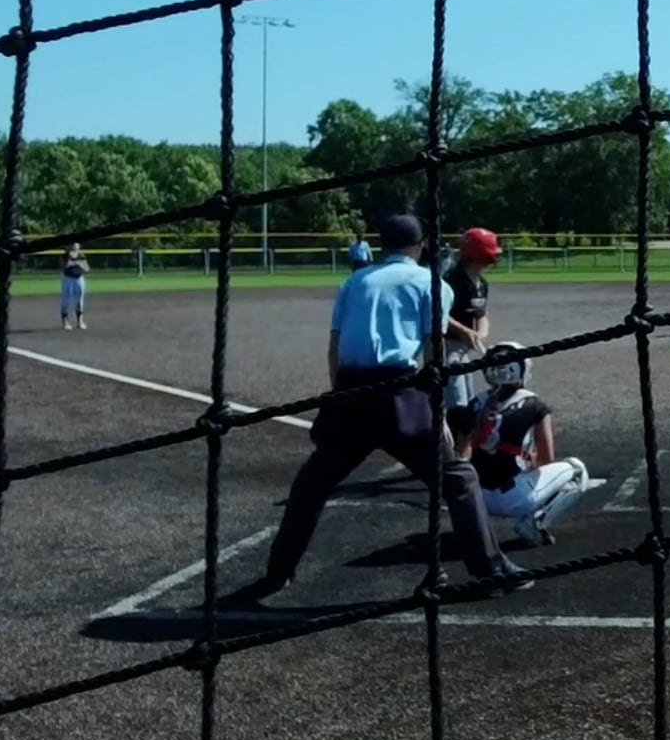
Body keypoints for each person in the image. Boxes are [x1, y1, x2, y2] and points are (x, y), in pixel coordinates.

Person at [233, 214, 529, 605]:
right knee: (458, 479)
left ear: (381, 245)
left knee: (311, 485)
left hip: (351, 391)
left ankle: (279, 570)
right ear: (420, 246)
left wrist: (339, 400)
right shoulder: (431, 283)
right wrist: (436, 410)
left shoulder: (354, 281)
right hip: (399, 394)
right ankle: (490, 570)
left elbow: (335, 348)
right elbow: (434, 352)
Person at [448, 342, 606, 548]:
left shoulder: (475, 403)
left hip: (476, 499)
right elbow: (546, 459)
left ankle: (470, 526)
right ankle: (534, 523)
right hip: (514, 497)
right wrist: (527, 459)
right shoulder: (534, 405)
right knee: (576, 470)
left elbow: (461, 452)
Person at [444, 227, 501, 419]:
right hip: (446, 346)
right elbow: (440, 315)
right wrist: (464, 331)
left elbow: (481, 315)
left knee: (468, 399)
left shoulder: (481, 283)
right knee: (456, 401)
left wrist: (481, 332)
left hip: (464, 347)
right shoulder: (451, 281)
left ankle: (463, 433)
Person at [60, 244, 90, 331]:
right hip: (68, 279)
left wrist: (79, 264)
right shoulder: (65, 256)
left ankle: (80, 322)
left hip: (79, 279)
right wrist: (70, 261)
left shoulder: (81, 255)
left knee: (79, 300)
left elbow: (87, 269)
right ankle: (65, 322)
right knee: (66, 300)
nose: (75, 246)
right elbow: (63, 267)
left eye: (76, 245)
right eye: (73, 244)